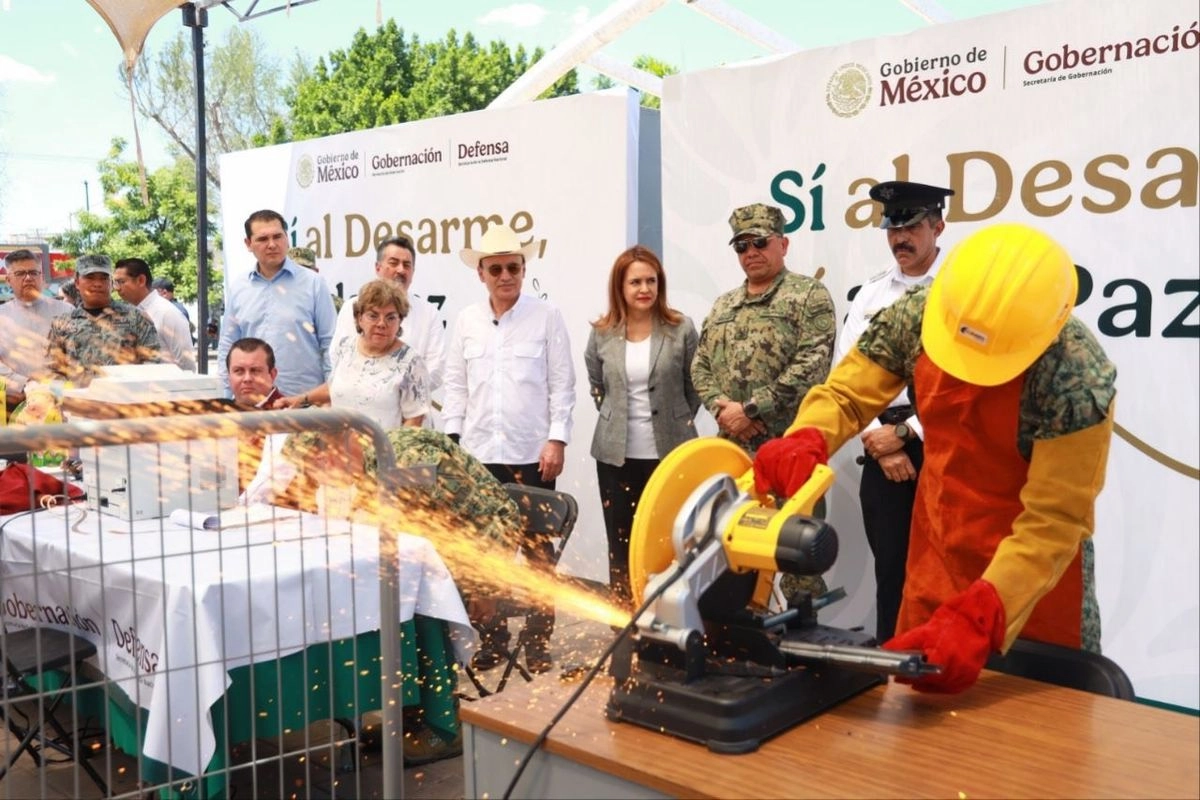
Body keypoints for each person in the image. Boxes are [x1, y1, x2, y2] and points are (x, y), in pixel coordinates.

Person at [753, 222, 1116, 694]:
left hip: (1030, 587)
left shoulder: (1076, 373)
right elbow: (846, 394)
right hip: (938, 557)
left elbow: (1055, 519)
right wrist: (807, 437)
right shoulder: (922, 313)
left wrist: (984, 614)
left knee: (1042, 750)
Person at [270, 426, 529, 764]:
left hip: (482, 552)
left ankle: (444, 727)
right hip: (433, 555)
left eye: (312, 470)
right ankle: (411, 716)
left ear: (330, 452)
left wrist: (487, 588)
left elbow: (491, 519)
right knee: (377, 598)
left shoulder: (406, 462)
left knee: (415, 606)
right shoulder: (371, 462)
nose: (315, 481)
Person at [443, 222, 576, 674]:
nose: (505, 276)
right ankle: (494, 639)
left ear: (523, 269)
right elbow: (455, 387)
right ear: (481, 272)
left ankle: (537, 642)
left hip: (533, 456)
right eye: (496, 268)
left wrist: (556, 438)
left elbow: (563, 385)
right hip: (479, 459)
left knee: (539, 556)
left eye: (513, 268)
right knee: (488, 557)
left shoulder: (547, 316)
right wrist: (454, 445)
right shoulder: (465, 320)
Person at [838, 181, 954, 642]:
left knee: (946, 569)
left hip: (943, 444)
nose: (899, 237)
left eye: (911, 226)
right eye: (892, 227)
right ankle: (893, 671)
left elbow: (970, 381)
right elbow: (846, 374)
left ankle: (946, 672)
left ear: (937, 226)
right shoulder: (871, 295)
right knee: (892, 570)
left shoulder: (959, 288)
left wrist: (908, 433)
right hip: (881, 449)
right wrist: (878, 440)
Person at [584, 245, 701, 608]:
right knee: (621, 545)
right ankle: (625, 628)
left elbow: (694, 385)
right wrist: (616, 418)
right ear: (620, 286)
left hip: (669, 457)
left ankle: (668, 629)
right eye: (635, 281)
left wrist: (674, 419)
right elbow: (597, 384)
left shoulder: (680, 328)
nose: (644, 289)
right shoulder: (603, 332)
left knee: (670, 545)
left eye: (651, 280)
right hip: (615, 459)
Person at [691, 202, 837, 455]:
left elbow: (812, 365)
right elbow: (700, 365)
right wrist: (722, 410)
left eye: (760, 242)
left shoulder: (809, 294)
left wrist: (750, 409)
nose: (751, 252)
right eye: (741, 246)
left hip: (789, 447)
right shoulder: (723, 305)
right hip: (731, 447)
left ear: (783, 245)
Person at [276, 280, 430, 429]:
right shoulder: (346, 347)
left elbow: (414, 420)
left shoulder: (411, 362)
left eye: (391, 317)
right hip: (339, 449)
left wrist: (391, 454)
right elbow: (334, 386)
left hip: (384, 452)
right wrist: (300, 399)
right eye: (373, 315)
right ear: (359, 318)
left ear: (400, 321)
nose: (382, 324)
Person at [217, 209, 337, 396]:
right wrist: (228, 395)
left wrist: (330, 394)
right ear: (248, 244)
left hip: (303, 403)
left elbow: (330, 343)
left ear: (287, 238)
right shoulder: (239, 288)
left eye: (278, 237)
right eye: (263, 239)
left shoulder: (313, 283)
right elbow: (228, 344)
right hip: (253, 404)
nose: (272, 244)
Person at [332, 235, 446, 415]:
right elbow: (338, 360)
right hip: (357, 415)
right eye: (393, 263)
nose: (401, 270)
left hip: (408, 416)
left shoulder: (429, 313)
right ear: (378, 268)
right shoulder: (352, 307)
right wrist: (372, 395)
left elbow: (436, 369)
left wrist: (398, 393)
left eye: (407, 265)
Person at [44, 254, 162, 386]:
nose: (97, 284)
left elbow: (153, 363)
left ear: (111, 282)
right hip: (78, 402)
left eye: (103, 278)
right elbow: (53, 370)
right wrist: (66, 396)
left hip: (123, 402)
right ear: (77, 282)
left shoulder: (136, 318)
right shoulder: (62, 324)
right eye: (90, 278)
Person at [0, 249, 73, 410]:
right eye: (20, 273)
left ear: (42, 277)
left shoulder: (66, 311)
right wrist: (23, 383)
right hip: (16, 400)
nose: (28, 278)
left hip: (61, 399)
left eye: (33, 272)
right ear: (8, 280)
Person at [225, 337, 286, 496]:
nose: (247, 379)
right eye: (238, 371)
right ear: (228, 376)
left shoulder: (290, 418)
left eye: (255, 371)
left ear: (272, 374)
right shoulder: (217, 415)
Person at [113, 257, 197, 371]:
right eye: (115, 283)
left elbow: (186, 363)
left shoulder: (167, 313)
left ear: (141, 280)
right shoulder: (129, 313)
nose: (117, 288)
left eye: (121, 282)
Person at [287, 245, 344, 312]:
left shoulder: (336, 306)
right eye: (295, 270)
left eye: (305, 269)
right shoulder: (276, 306)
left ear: (316, 272)